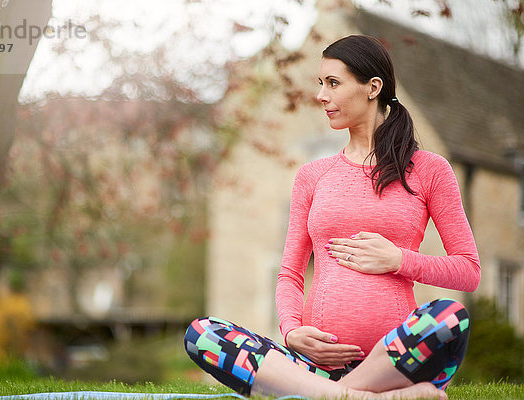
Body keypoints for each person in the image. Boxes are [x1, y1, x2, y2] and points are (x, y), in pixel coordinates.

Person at [184, 35, 481, 399]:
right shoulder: (312, 175)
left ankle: (337, 394)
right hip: (312, 368)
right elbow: (291, 273)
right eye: (320, 84)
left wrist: (397, 260)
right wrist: (292, 330)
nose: (322, 96)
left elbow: (468, 270)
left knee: (451, 317)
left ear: (373, 87)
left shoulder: (429, 170)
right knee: (204, 334)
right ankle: (348, 396)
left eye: (333, 84)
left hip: (399, 364)